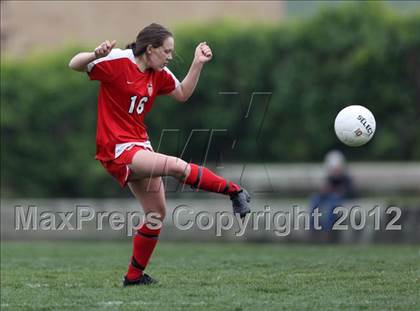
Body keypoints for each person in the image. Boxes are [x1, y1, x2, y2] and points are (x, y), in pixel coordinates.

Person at [68, 23, 251, 286]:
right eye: (166, 51)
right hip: (117, 149)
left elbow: (183, 93)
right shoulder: (119, 61)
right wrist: (95, 55)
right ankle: (234, 191)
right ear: (150, 49)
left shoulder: (158, 72)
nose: (169, 56)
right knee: (176, 166)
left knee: (156, 213)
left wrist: (198, 63)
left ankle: (134, 277)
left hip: (139, 145)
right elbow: (74, 63)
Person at [309, 150, 355, 242]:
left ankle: (327, 233)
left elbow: (350, 192)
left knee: (332, 206)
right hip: (328, 198)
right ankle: (312, 230)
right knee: (314, 201)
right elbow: (323, 193)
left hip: (337, 201)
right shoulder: (329, 178)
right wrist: (324, 191)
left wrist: (340, 192)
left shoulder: (346, 178)